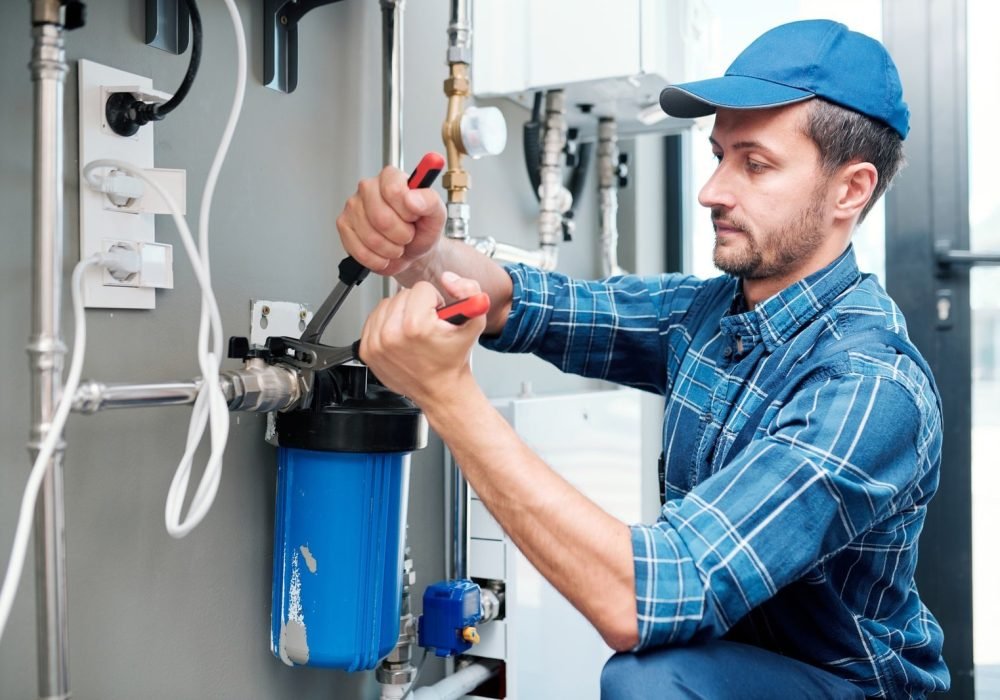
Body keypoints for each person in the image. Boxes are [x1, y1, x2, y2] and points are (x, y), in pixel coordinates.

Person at [336, 19, 949, 700]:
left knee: (650, 681)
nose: (712, 190)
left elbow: (646, 600)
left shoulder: (869, 388)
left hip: (847, 688)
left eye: (754, 163)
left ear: (850, 190)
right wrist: (420, 255)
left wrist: (449, 398)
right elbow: (529, 301)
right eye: (719, 156)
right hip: (735, 663)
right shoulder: (713, 314)